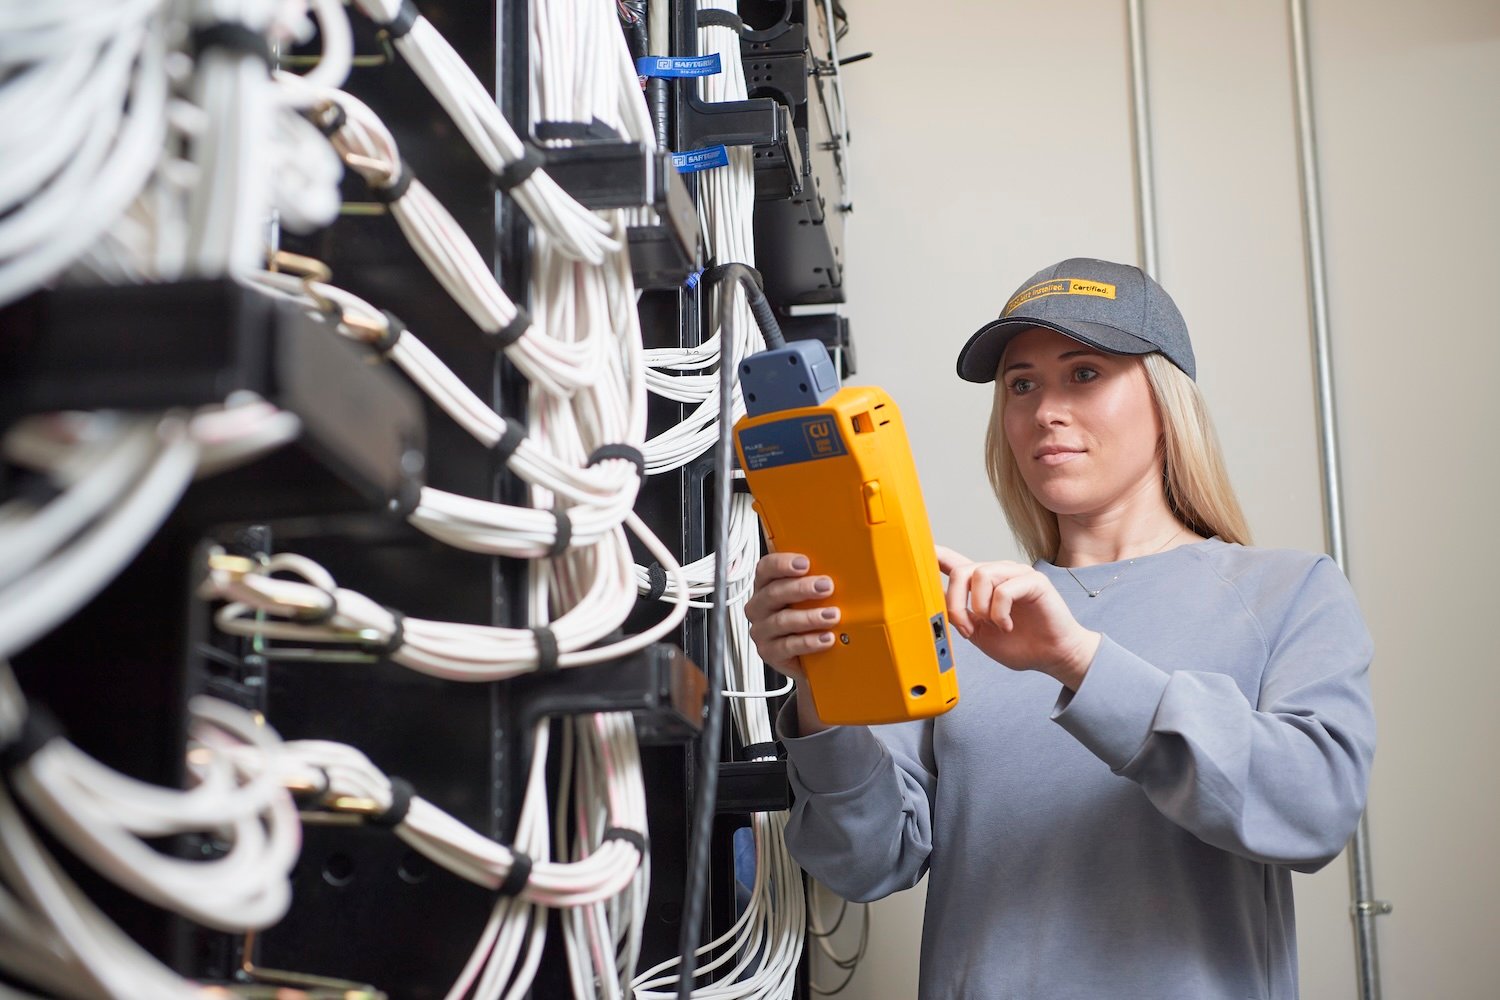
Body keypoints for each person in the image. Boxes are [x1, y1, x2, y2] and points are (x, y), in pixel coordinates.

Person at [744, 258, 1375, 1000]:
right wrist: (822, 688)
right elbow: (865, 862)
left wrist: (1078, 661)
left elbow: (1313, 810)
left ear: (1166, 398)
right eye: (1021, 384)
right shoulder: (966, 618)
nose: (1045, 409)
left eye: (1084, 374)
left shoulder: (1288, 591)